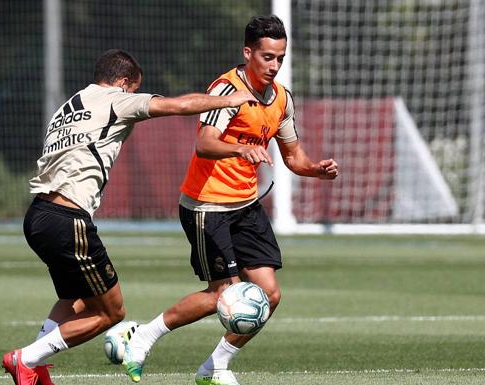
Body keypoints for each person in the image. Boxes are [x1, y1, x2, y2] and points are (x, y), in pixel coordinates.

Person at [0, 48, 255, 385]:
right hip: (68, 219)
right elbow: (177, 106)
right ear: (123, 83)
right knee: (110, 312)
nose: (136, 96)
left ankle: (36, 367)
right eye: (135, 89)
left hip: (38, 216)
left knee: (73, 296)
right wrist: (230, 100)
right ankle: (26, 358)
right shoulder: (117, 100)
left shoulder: (71, 105)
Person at [121, 15, 339, 385]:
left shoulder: (282, 100)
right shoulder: (226, 89)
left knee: (269, 295)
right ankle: (143, 336)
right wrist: (241, 149)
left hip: (245, 206)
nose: (274, 65)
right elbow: (204, 144)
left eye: (280, 58)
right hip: (206, 206)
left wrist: (315, 169)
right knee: (221, 293)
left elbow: (293, 156)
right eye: (267, 57)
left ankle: (214, 368)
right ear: (247, 52)